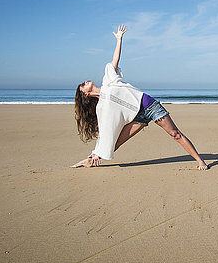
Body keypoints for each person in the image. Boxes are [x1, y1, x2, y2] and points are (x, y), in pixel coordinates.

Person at [72, 24, 209, 170]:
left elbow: (115, 60)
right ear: (85, 95)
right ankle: (90, 159)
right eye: (83, 85)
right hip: (137, 117)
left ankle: (200, 161)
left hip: (149, 106)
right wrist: (95, 152)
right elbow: (106, 132)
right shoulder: (101, 108)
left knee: (175, 134)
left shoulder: (108, 80)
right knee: (114, 142)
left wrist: (119, 39)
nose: (85, 82)